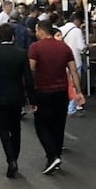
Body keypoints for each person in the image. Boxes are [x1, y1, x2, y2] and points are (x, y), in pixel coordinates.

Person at [27, 19, 85, 174]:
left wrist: (29, 92)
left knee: (41, 125)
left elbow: (30, 70)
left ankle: (52, 155)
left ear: (40, 30)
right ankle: (56, 156)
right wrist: (78, 92)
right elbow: (73, 71)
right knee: (58, 126)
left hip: (42, 91)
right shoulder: (64, 47)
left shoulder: (35, 48)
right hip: (61, 92)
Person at [0, 23, 33, 178]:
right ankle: (15, 156)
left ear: (0, 36)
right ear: (13, 36)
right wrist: (31, 99)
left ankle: (10, 158)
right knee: (16, 129)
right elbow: (28, 78)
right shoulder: (21, 53)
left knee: (3, 128)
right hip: (17, 96)